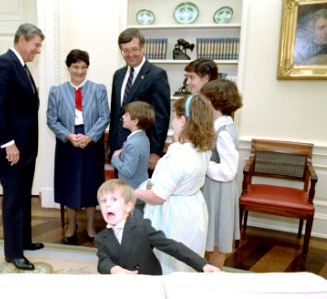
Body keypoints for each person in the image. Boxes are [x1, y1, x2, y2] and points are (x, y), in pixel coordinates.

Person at [0, 23, 44, 271]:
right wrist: (9, 144)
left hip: (26, 148)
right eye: (36, 45)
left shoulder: (21, 66)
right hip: (13, 149)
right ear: (22, 40)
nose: (38, 50)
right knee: (13, 199)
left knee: (23, 195)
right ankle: (13, 252)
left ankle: (24, 241)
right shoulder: (4, 64)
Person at [135, 95, 215, 274]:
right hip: (192, 209)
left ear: (182, 120)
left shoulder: (179, 154)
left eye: (175, 117)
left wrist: (134, 193)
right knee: (188, 258)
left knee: (169, 260)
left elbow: (158, 196)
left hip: (173, 214)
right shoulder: (201, 149)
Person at [46, 49, 110, 243]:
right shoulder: (56, 91)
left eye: (83, 67)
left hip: (92, 143)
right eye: (75, 67)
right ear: (68, 67)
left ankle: (90, 224)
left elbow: (104, 116)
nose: (79, 71)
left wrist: (90, 137)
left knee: (91, 183)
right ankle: (72, 224)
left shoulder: (98, 89)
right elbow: (51, 119)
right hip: (67, 143)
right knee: (69, 184)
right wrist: (68, 136)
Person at [95, 179, 220, 275]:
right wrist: (114, 269)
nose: (108, 205)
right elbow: (103, 262)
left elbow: (172, 246)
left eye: (114, 199)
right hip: (122, 287)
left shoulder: (142, 227)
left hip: (148, 284)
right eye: (103, 201)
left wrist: (203, 264)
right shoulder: (101, 237)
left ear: (128, 206)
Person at [108, 28, 171, 173]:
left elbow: (161, 117)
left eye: (134, 49)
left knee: (140, 194)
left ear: (143, 47)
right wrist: (112, 143)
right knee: (121, 193)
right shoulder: (118, 75)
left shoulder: (157, 75)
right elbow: (116, 113)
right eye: (125, 51)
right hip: (120, 149)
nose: (130, 55)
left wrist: (155, 152)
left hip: (143, 150)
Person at [200, 79, 243, 270]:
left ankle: (215, 276)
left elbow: (228, 171)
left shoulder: (224, 132)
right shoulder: (218, 126)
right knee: (211, 234)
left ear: (214, 102)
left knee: (218, 237)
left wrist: (203, 163)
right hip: (212, 189)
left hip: (220, 191)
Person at [111, 101, 154, 218]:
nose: (123, 117)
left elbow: (129, 171)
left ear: (135, 121)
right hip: (141, 186)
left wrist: (115, 158)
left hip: (131, 191)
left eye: (126, 115)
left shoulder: (133, 143)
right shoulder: (143, 138)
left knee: (132, 220)